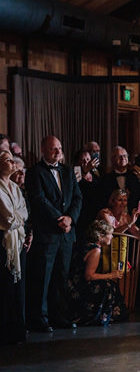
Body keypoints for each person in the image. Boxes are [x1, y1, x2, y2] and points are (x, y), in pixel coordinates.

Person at [26, 135, 82, 331]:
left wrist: (70, 219)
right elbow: (39, 200)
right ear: (43, 150)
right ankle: (39, 319)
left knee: (61, 276)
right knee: (43, 277)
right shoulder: (35, 172)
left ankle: (60, 316)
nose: (58, 152)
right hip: (47, 234)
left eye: (59, 148)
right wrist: (60, 219)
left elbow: (77, 198)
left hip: (66, 234)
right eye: (53, 149)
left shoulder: (67, 171)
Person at [71, 220, 127, 325]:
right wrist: (111, 275)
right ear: (101, 236)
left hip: (75, 281)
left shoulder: (87, 244)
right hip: (78, 286)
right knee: (109, 286)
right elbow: (89, 276)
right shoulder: (96, 250)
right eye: (110, 234)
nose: (112, 237)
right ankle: (102, 317)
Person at [0, 150, 29, 343]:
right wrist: (17, 218)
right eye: (7, 160)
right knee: (4, 287)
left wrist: (17, 218)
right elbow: (9, 218)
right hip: (3, 241)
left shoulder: (15, 187)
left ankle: (16, 329)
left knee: (18, 286)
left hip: (17, 240)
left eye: (12, 159)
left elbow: (24, 213)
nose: (12, 163)